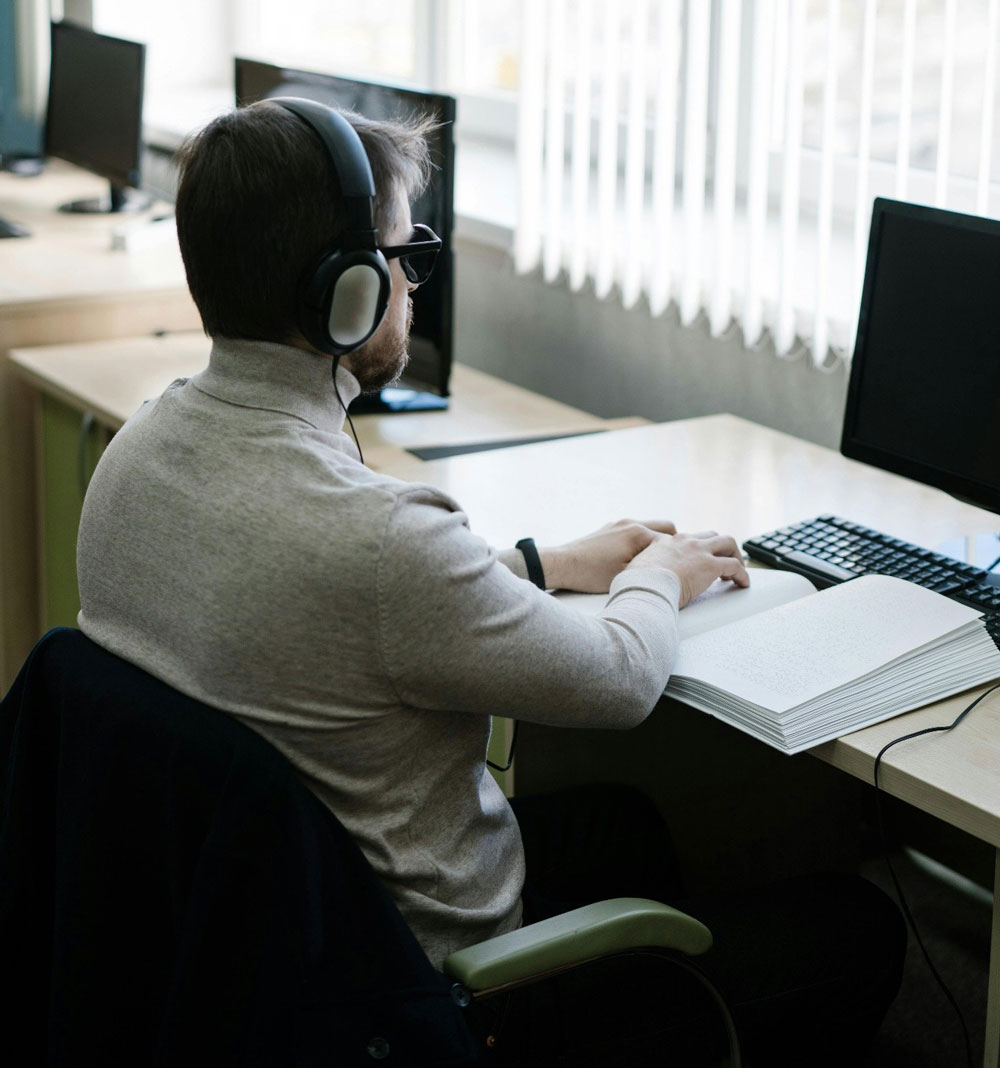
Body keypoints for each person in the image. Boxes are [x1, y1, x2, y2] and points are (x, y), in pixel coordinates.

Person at [76, 99, 904, 1065]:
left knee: (625, 822)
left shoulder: (137, 454)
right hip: (414, 997)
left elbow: (317, 596)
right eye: (402, 255)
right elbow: (619, 681)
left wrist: (544, 565)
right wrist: (658, 576)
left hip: (246, 945)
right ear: (341, 292)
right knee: (857, 927)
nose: (410, 283)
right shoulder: (383, 539)